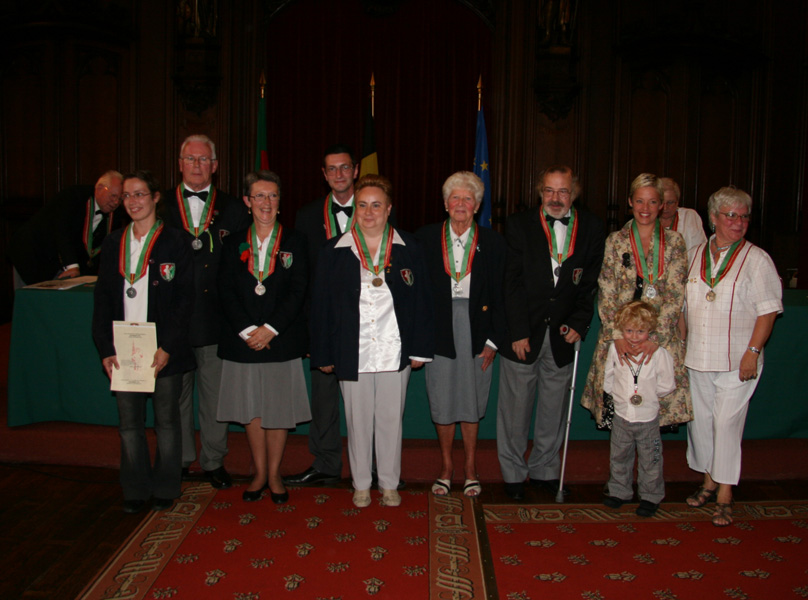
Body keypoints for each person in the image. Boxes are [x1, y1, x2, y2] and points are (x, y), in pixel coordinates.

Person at [310, 175, 433, 508]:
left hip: (395, 348)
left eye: (376, 205)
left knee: (392, 419)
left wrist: (421, 349)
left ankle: (389, 483)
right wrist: (322, 351)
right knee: (358, 419)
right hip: (352, 349)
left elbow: (424, 300)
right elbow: (319, 305)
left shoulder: (411, 247)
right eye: (362, 205)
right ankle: (361, 483)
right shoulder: (332, 251)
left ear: (389, 209)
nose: (368, 212)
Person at [498, 165, 605, 501]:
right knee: (515, 410)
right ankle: (513, 475)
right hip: (522, 332)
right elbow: (510, 283)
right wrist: (517, 330)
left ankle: (545, 470)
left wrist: (579, 323)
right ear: (539, 192)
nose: (556, 198)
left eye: (562, 191)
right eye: (549, 191)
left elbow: (590, 284)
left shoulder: (592, 227)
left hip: (562, 333)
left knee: (554, 409)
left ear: (574, 192)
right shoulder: (518, 225)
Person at [92, 170, 194, 514]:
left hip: (162, 348)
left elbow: (185, 301)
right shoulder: (113, 242)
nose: (133, 202)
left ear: (155, 198)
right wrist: (105, 348)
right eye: (127, 197)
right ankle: (135, 488)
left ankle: (166, 486)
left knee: (166, 421)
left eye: (139, 194)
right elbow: (104, 298)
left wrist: (167, 346)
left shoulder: (176, 241)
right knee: (129, 425)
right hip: (124, 348)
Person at [681, 186, 782, 527]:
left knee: (726, 423)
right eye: (731, 216)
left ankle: (725, 491)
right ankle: (709, 480)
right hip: (698, 356)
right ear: (713, 218)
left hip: (738, 360)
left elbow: (768, 312)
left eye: (744, 216)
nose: (739, 223)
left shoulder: (757, 259)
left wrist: (753, 352)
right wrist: (680, 345)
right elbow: (683, 307)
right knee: (703, 424)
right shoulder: (694, 254)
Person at [216, 171, 311, 504]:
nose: (266, 203)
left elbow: (299, 291)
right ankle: (258, 472)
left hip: (280, 339)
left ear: (280, 202)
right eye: (259, 196)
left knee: (278, 408)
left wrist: (270, 328)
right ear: (247, 202)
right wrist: (247, 330)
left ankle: (275, 474)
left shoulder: (296, 242)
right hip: (241, 341)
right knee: (252, 409)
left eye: (272, 196)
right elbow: (225, 290)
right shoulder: (231, 242)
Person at [164, 134, 250, 489]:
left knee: (215, 395)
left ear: (215, 166)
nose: (197, 165)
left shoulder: (233, 207)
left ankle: (213, 460)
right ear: (180, 164)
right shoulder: (162, 205)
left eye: (204, 160)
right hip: (173, 318)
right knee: (177, 394)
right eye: (190, 159)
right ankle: (181, 459)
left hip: (217, 318)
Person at [415, 172, 506, 498]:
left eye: (468, 199)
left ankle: (469, 468)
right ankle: (446, 468)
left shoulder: (493, 242)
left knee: (470, 400)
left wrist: (494, 340)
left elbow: (502, 294)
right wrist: (419, 340)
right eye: (456, 198)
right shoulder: (424, 239)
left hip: (477, 330)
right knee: (442, 400)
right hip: (438, 329)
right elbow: (416, 295)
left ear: (478, 205)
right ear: (445, 203)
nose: (461, 204)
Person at [581, 173, 692, 435]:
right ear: (630, 202)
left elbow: (676, 295)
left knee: (652, 419)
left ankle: (650, 476)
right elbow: (606, 292)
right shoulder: (616, 241)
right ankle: (620, 476)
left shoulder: (674, 242)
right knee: (620, 420)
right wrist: (618, 336)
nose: (645, 208)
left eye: (653, 202)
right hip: (620, 338)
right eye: (640, 201)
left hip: (658, 341)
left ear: (662, 205)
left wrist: (655, 338)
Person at [283, 144, 359, 488]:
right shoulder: (307, 215)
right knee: (324, 399)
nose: (339, 175)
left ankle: (371, 466)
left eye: (345, 168)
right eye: (332, 169)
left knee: (366, 400)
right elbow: (302, 278)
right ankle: (326, 463)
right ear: (324, 175)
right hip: (325, 322)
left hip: (368, 320)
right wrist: (310, 329)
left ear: (355, 171)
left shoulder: (377, 208)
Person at [601, 301, 675, 517]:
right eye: (629, 331)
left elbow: (667, 384)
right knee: (619, 456)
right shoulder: (616, 350)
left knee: (650, 458)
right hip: (622, 415)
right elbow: (609, 376)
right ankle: (619, 491)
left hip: (647, 417)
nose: (634, 336)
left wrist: (649, 395)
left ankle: (650, 496)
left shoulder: (659, 354)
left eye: (640, 331)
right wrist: (617, 396)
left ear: (650, 331)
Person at [11, 171, 125, 286]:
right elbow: (61, 231)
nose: (116, 202)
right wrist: (72, 266)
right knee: (29, 299)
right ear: (100, 188)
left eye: (120, 199)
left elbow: (100, 246)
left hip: (59, 261)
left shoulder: (116, 214)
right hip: (32, 251)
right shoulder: (74, 196)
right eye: (113, 196)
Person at [659, 177, 707, 251]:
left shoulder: (689, 216)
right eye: (661, 202)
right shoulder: (648, 218)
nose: (665, 207)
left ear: (677, 202)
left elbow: (699, 249)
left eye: (670, 202)